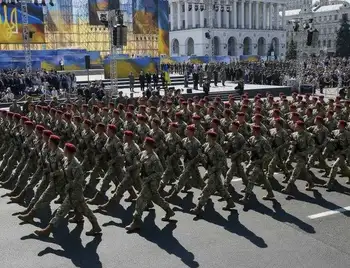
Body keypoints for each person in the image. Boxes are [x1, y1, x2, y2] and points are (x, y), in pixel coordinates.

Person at [33, 143, 102, 237]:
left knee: (61, 210)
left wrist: (70, 185)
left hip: (75, 191)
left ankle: (48, 230)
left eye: (65, 149)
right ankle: (94, 225)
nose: (63, 151)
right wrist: (56, 173)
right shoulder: (66, 160)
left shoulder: (76, 165)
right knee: (85, 209)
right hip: (72, 190)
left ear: (68, 152)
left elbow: (80, 180)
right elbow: (63, 171)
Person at [125, 137, 175, 232]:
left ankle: (136, 222)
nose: (143, 143)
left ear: (148, 145)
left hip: (152, 182)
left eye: (144, 142)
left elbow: (160, 172)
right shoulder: (143, 153)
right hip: (144, 180)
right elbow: (138, 160)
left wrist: (149, 178)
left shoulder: (154, 157)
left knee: (140, 199)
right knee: (155, 198)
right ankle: (169, 211)